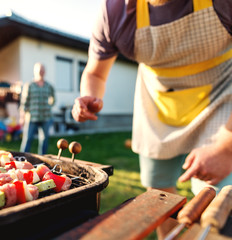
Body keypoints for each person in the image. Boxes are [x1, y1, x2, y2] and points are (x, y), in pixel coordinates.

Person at [72, 0, 232, 198]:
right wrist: (90, 95)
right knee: (158, 193)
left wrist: (227, 147)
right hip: (156, 105)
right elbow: (95, 74)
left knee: (217, 197)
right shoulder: (114, 12)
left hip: (221, 97)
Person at [20, 62, 55, 155]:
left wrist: (49, 106)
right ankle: (22, 158)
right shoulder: (29, 85)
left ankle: (42, 160)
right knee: (27, 139)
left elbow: (53, 98)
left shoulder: (49, 86)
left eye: (42, 70)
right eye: (39, 70)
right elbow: (24, 102)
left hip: (45, 117)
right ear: (35, 71)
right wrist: (22, 116)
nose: (41, 71)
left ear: (45, 72)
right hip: (32, 117)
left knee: (44, 140)